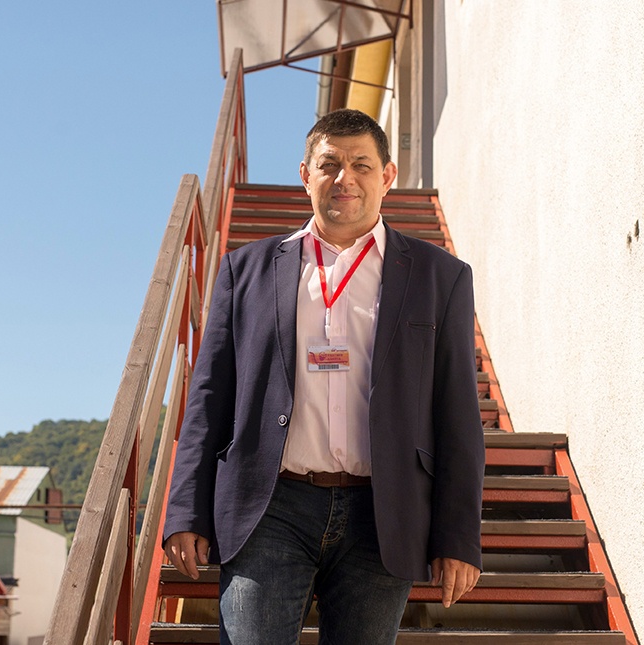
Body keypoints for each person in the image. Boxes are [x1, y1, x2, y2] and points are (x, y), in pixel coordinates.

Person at [162, 108, 484, 644]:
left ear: (388, 176)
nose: (344, 178)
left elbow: (457, 414)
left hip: (383, 513)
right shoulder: (246, 269)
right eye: (330, 164)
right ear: (306, 174)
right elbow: (209, 397)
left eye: (361, 165)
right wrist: (186, 511)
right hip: (270, 506)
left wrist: (458, 536)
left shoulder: (440, 276)